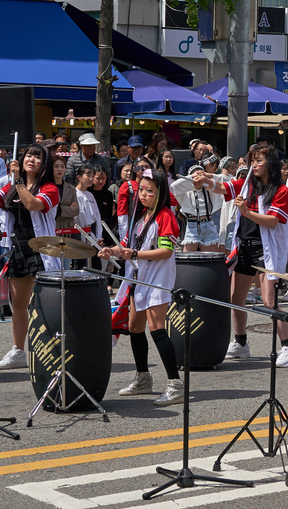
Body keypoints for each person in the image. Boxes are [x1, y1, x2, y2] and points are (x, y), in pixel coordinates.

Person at [0, 143, 60, 370]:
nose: (32, 160)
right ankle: (18, 351)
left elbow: (32, 204)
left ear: (44, 164)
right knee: (19, 304)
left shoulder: (49, 188)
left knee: (43, 304)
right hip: (18, 249)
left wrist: (17, 179)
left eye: (38, 157)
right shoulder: (11, 185)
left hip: (42, 251)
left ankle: (48, 348)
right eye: (29, 155)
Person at [196, 146, 288, 365]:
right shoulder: (247, 184)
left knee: (269, 300)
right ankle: (240, 343)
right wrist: (205, 181)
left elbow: (274, 220)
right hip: (244, 247)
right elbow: (223, 187)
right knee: (236, 299)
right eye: (252, 161)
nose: (254, 165)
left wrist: (247, 212)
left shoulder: (280, 190)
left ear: (271, 163)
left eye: (259, 160)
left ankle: (286, 346)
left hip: (265, 250)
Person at [99, 169, 184, 406]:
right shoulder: (140, 217)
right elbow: (125, 246)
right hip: (138, 278)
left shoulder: (166, 215)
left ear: (161, 193)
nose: (144, 195)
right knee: (135, 328)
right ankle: (143, 376)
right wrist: (111, 251)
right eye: (142, 190)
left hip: (158, 278)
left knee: (157, 329)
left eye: (150, 191)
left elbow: (166, 251)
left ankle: (175, 384)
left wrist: (134, 253)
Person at [170, 164, 224, 252]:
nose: (198, 179)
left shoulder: (210, 190)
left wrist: (208, 176)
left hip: (209, 223)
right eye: (196, 177)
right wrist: (192, 176)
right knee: (188, 258)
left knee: (211, 259)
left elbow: (225, 180)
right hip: (192, 225)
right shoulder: (186, 192)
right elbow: (174, 186)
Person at [53, 156, 80, 245]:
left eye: (62, 166)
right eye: (56, 166)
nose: (59, 169)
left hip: (67, 231)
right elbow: (49, 210)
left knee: (67, 257)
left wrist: (58, 210)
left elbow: (76, 210)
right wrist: (67, 209)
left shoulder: (71, 188)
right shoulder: (46, 187)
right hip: (52, 229)